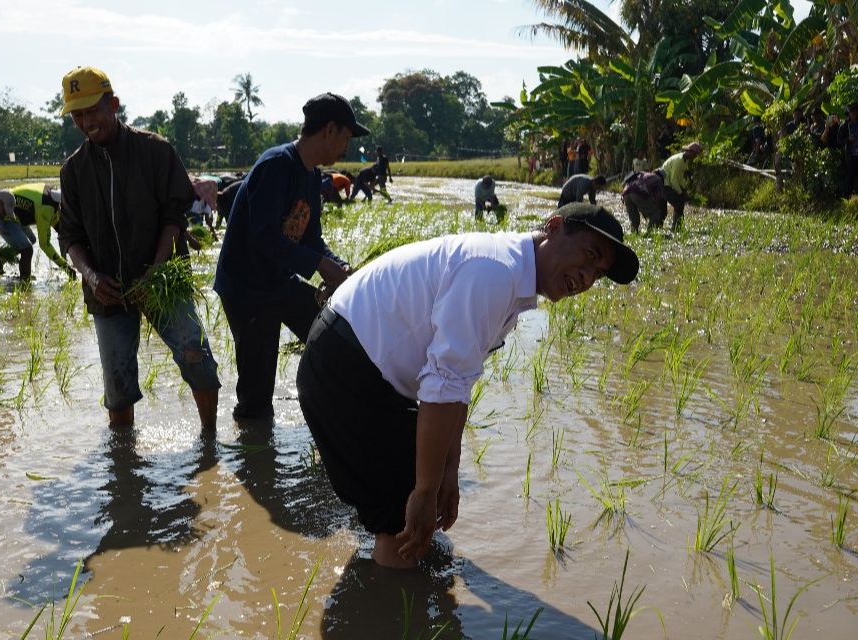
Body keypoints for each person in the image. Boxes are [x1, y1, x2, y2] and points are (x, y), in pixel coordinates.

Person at [297, 203, 639, 568]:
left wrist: (448, 469)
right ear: (554, 227)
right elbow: (443, 383)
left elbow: (457, 383)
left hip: (363, 367)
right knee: (401, 518)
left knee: (410, 497)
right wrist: (425, 490)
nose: (587, 278)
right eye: (589, 255)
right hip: (343, 368)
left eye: (598, 273)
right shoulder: (495, 272)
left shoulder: (510, 277)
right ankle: (392, 612)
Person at [55, 65, 221, 430]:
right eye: (77, 115)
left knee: (196, 356)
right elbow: (69, 236)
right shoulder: (74, 171)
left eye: (93, 110)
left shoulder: (155, 150)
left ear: (113, 104)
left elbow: (173, 216)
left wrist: (157, 269)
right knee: (117, 385)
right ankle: (125, 466)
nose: (87, 121)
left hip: (161, 280)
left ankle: (209, 444)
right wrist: (92, 276)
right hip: (108, 291)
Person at [213, 92, 362, 422]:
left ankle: (331, 413)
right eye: (346, 137)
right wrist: (321, 266)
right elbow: (263, 237)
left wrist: (337, 267)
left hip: (280, 282)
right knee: (257, 392)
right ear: (330, 131)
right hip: (246, 290)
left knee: (335, 339)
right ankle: (255, 456)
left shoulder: (311, 177)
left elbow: (312, 240)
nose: (346, 147)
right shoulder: (276, 165)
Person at [8, 183, 75, 277]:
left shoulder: (50, 197)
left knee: (32, 239)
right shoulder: (46, 208)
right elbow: (44, 244)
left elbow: (59, 227)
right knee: (27, 249)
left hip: (17, 213)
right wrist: (65, 267)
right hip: (4, 214)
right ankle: (25, 283)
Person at [658, 141, 703, 231]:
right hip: (664, 183)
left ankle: (674, 227)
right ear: (690, 152)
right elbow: (673, 179)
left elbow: (680, 178)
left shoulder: (684, 161)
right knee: (678, 204)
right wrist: (681, 192)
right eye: (695, 155)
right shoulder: (679, 160)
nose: (695, 157)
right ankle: (675, 228)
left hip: (668, 183)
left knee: (668, 208)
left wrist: (684, 189)